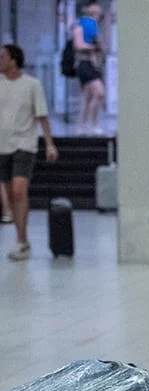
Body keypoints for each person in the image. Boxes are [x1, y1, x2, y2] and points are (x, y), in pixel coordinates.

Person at [0, 44, 58, 262]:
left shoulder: (32, 84)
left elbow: (42, 116)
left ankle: (22, 240)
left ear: (13, 60)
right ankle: (20, 236)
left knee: (18, 191)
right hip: (2, 146)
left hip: (24, 145)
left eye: (2, 56)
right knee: (9, 193)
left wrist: (50, 144)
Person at [72, 4, 106, 134]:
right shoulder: (80, 27)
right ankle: (91, 123)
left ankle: (82, 125)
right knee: (99, 92)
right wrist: (95, 47)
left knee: (88, 97)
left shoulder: (93, 29)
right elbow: (79, 45)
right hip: (85, 64)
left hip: (93, 64)